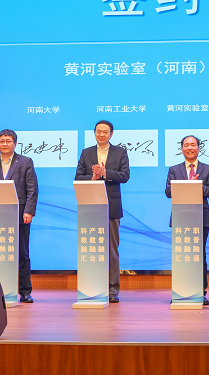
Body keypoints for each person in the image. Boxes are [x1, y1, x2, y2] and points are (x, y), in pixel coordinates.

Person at [0, 129, 38, 303]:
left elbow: (32, 188)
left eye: (8, 141)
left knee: (22, 253)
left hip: (20, 215)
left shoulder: (25, 161)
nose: (4, 144)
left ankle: (24, 291)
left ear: (15, 144)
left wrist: (29, 211)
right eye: (2, 141)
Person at [75, 120, 130, 303]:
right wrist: (93, 177)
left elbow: (125, 176)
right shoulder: (86, 153)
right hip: (90, 206)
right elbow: (78, 177)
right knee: (91, 247)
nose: (101, 135)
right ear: (94, 133)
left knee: (111, 249)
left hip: (112, 206)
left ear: (111, 134)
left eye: (105, 132)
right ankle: (92, 286)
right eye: (99, 131)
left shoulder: (120, 152)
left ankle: (112, 290)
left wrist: (105, 173)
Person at [165, 135, 209, 306]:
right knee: (181, 255)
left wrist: (197, 185)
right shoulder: (174, 170)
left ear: (198, 148)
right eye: (186, 145)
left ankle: (200, 292)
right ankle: (180, 291)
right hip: (180, 217)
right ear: (182, 149)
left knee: (199, 255)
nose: (190, 148)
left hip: (201, 218)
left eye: (193, 145)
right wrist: (186, 185)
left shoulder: (208, 169)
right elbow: (168, 192)